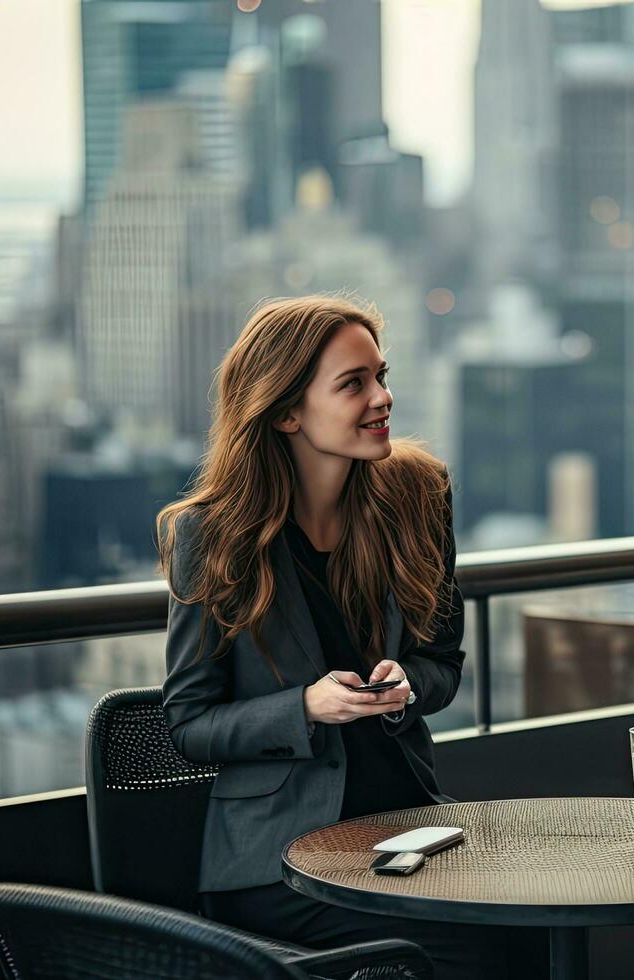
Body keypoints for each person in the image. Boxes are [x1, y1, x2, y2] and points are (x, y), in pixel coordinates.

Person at [158, 295, 546, 979]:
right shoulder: (212, 537)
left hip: (407, 829)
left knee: (532, 922)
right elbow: (189, 723)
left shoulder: (418, 495)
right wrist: (305, 707)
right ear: (285, 411)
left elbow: (442, 665)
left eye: (382, 376)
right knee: (473, 948)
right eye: (354, 384)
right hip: (276, 862)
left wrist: (407, 686)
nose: (383, 398)